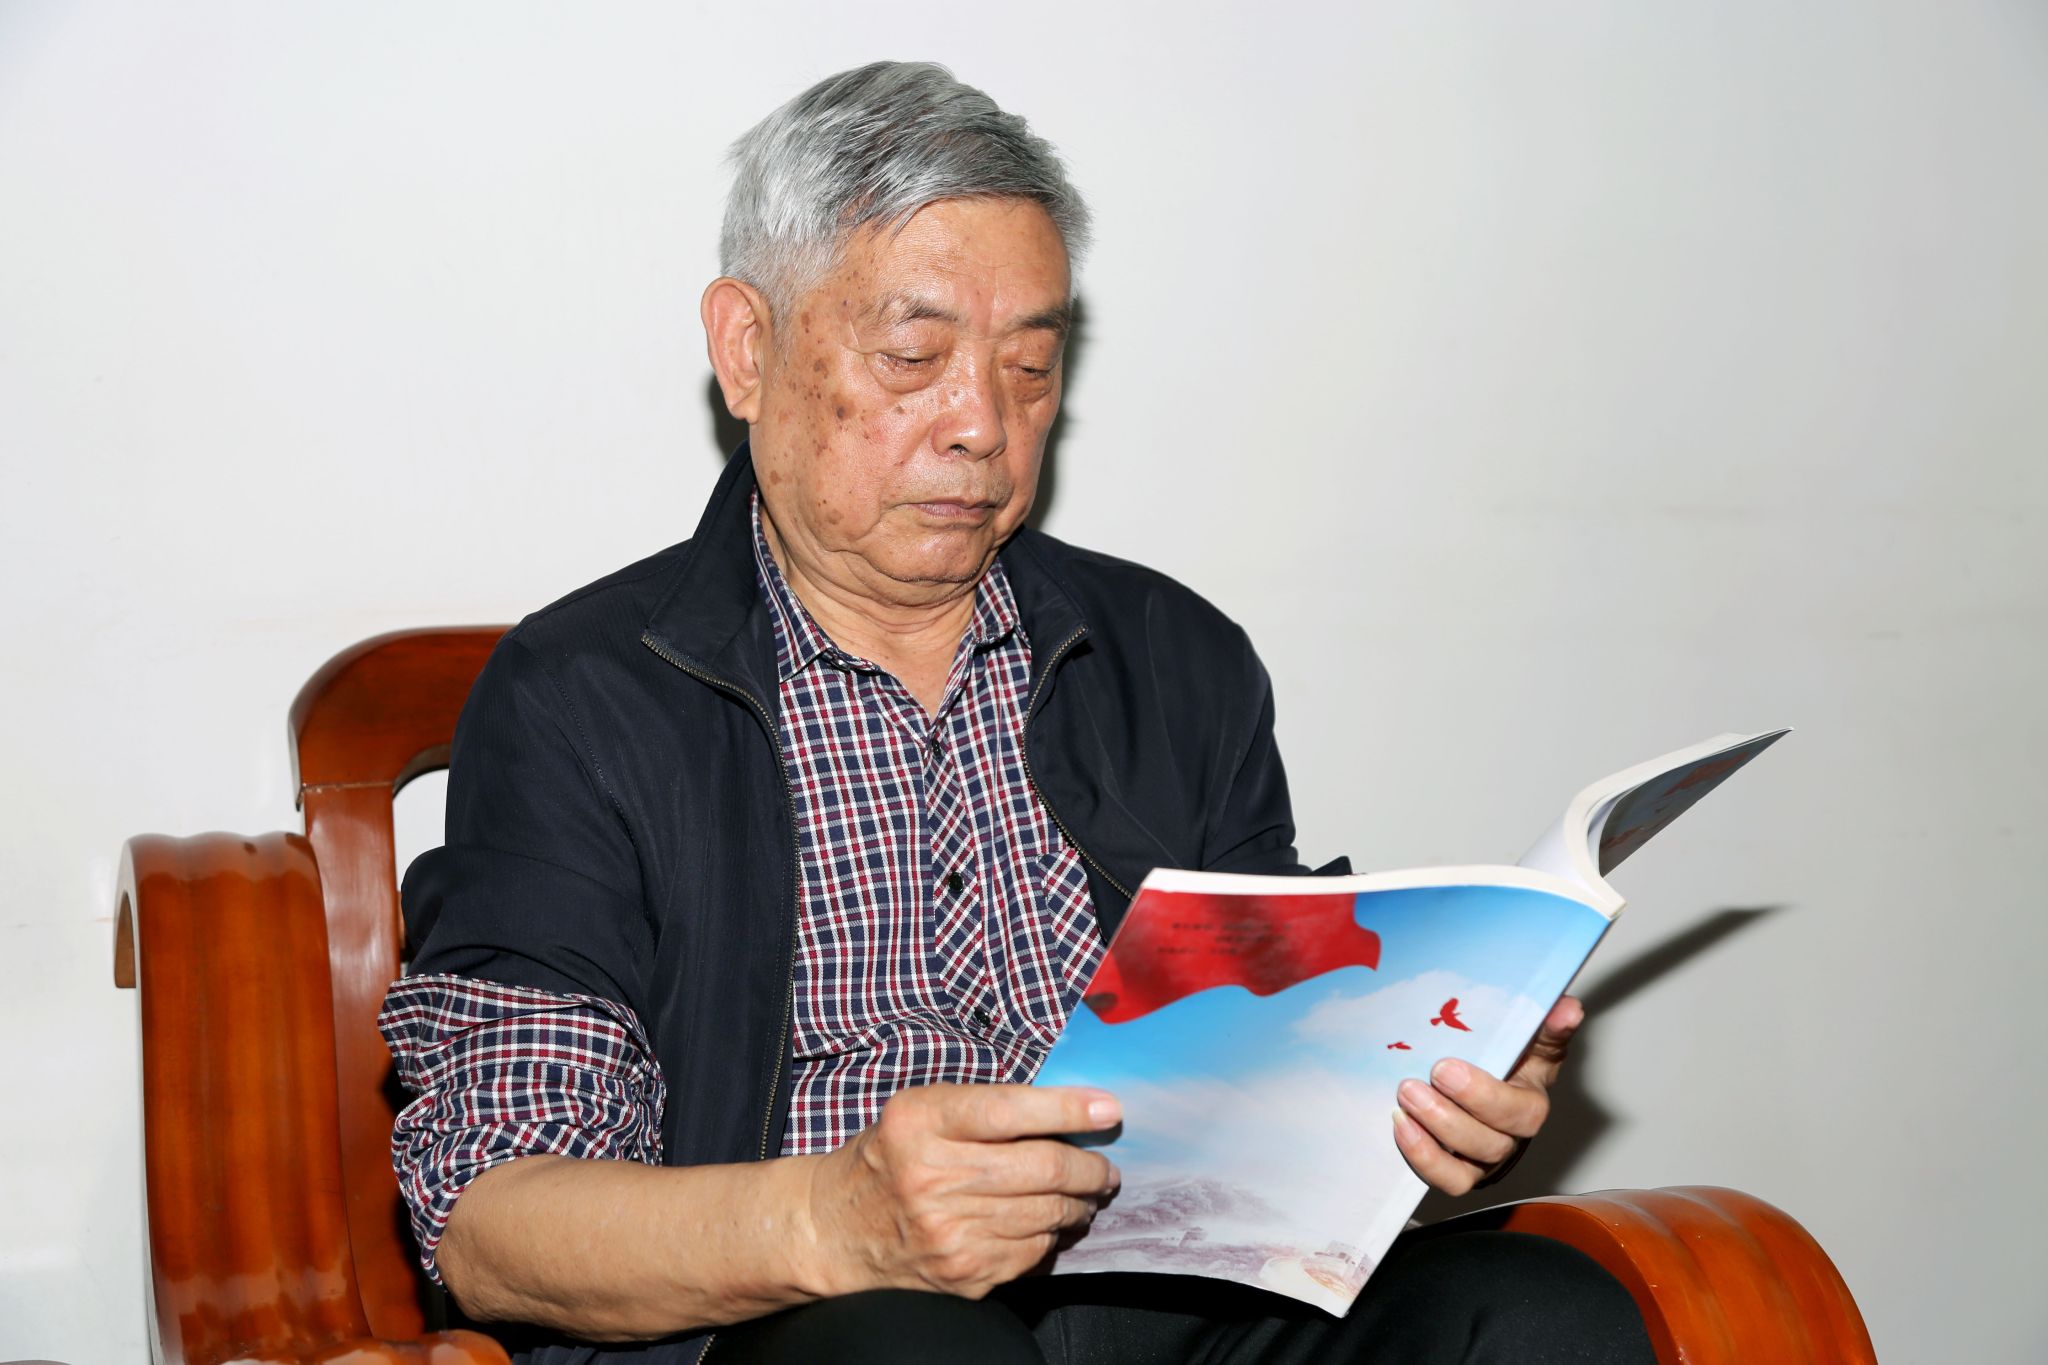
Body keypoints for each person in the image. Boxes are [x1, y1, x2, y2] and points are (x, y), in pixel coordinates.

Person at [380, 61, 1654, 1365]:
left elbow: (1278, 1100)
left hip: (1181, 1312)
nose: (982, 424)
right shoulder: (581, 698)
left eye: (1031, 367)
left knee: (1545, 1312)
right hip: (810, 1328)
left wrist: (1419, 1098)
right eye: (914, 357)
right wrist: (841, 1220)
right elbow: (492, 1221)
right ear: (748, 349)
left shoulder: (1172, 658)